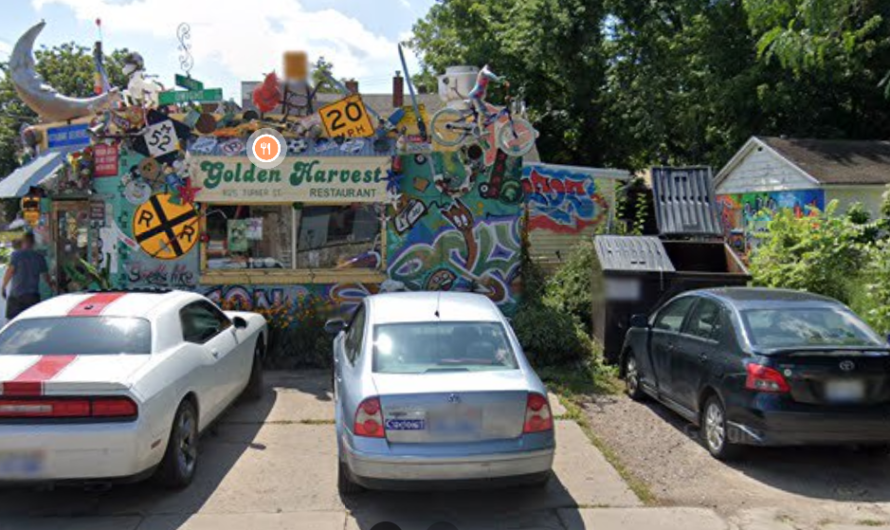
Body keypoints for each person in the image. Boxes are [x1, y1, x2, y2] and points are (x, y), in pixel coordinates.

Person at [2, 233, 53, 320]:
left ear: (23, 242)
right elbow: (46, 278)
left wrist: (3, 287)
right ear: (33, 243)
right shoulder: (39, 257)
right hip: (32, 296)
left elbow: (9, 272)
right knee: (31, 323)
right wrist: (54, 287)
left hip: (16, 295)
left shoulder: (16, 255)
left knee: (13, 323)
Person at [468, 64, 509, 129]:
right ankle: (481, 130)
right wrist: (498, 79)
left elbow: (494, 78)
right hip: (475, 96)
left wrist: (502, 80)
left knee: (486, 114)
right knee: (482, 111)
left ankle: (479, 127)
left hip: (478, 97)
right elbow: (491, 75)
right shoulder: (484, 71)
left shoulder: (485, 75)